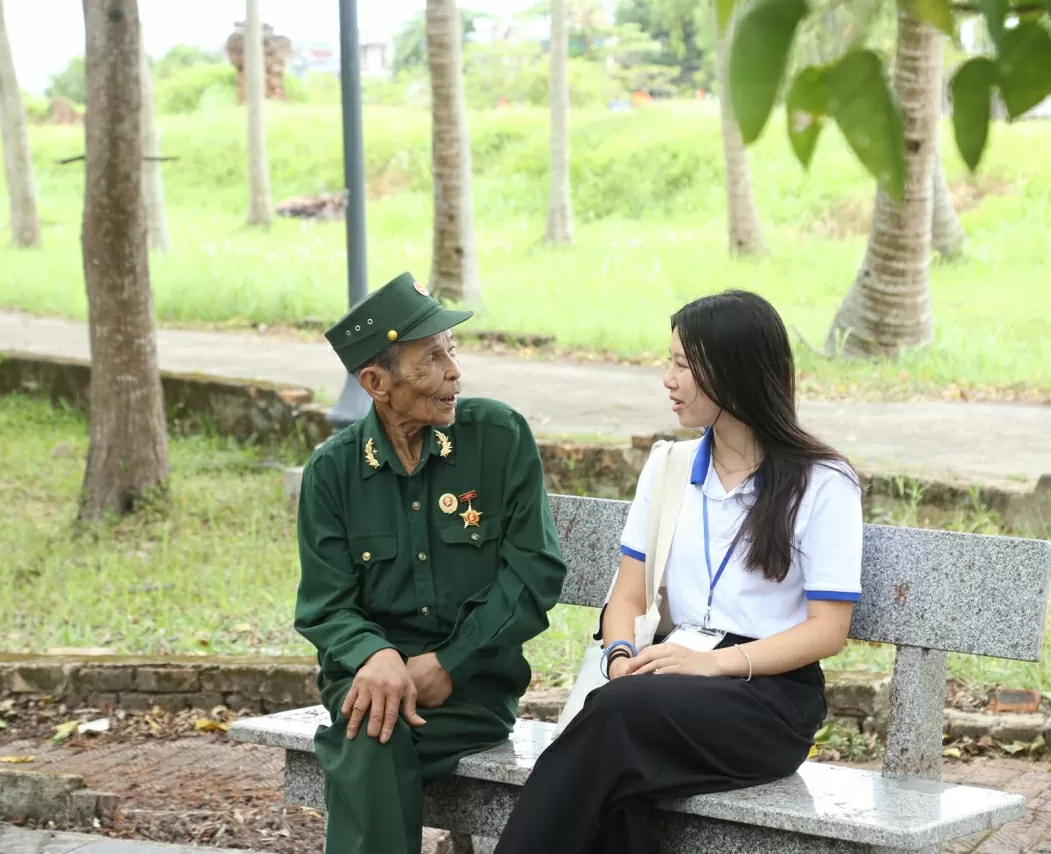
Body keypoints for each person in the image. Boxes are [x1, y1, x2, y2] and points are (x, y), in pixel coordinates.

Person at [492, 289, 863, 854]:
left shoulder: (822, 482)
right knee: (616, 785)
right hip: (661, 681)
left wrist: (713, 665)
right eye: (670, 361)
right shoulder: (668, 468)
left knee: (610, 728)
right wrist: (619, 660)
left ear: (736, 371)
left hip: (768, 697)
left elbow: (828, 630)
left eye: (684, 365)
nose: (668, 378)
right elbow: (628, 597)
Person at [294, 271, 568, 854]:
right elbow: (325, 604)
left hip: (472, 688)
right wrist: (378, 656)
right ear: (375, 382)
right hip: (365, 681)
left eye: (452, 351)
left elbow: (535, 571)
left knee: (363, 741)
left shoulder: (498, 437)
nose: (454, 372)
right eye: (431, 358)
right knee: (372, 726)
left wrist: (449, 661)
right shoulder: (334, 472)